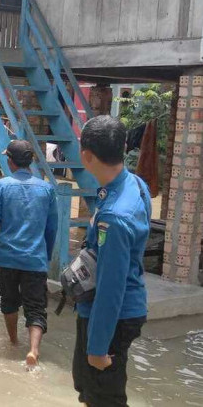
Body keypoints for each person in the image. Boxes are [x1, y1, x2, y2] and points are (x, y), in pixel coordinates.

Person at [73, 115, 151, 407]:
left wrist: (97, 346)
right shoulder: (132, 183)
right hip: (116, 307)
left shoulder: (115, 217)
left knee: (103, 396)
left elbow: (111, 286)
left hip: (111, 315)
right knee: (89, 388)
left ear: (87, 155)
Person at [0, 140, 58, 368]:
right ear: (31, 161)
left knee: (9, 301)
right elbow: (51, 228)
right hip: (35, 259)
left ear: (10, 162)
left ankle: (13, 341)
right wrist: (45, 255)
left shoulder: (0, 186)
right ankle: (33, 350)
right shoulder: (47, 189)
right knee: (36, 307)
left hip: (8, 258)